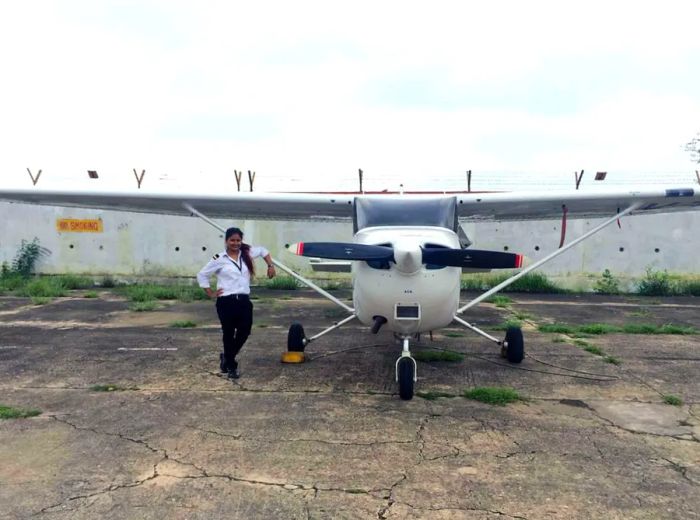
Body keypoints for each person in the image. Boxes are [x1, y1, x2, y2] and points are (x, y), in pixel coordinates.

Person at [197, 227, 276, 379]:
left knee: (244, 331)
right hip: (226, 302)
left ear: (241, 241)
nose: (235, 243)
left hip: (244, 301)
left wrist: (270, 266)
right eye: (232, 240)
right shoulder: (218, 258)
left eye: (238, 240)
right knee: (228, 333)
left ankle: (226, 357)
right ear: (226, 241)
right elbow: (202, 275)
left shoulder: (247, 254)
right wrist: (210, 293)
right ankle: (231, 366)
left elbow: (263, 251)